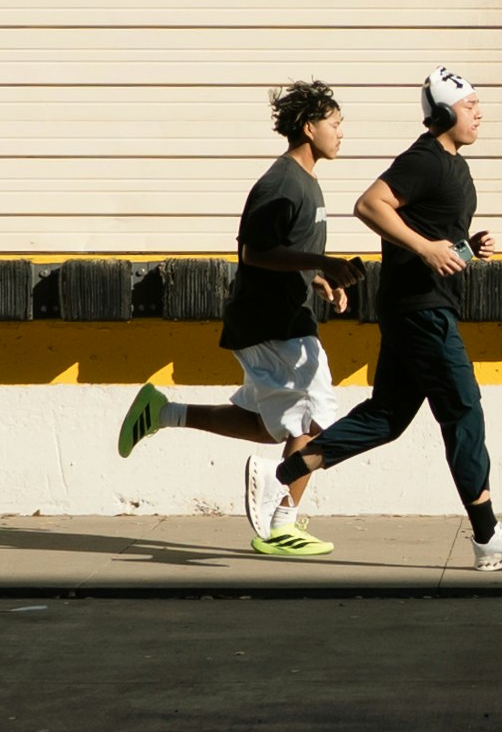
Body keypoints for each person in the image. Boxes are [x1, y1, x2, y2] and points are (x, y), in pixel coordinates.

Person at [272, 68, 502, 571]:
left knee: (387, 416)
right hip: (422, 310)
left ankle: (293, 465)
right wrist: (425, 249)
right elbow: (369, 204)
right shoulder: (425, 159)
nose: (479, 113)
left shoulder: (453, 168)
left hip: (417, 306)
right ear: (444, 113)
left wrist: (468, 247)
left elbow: (432, 236)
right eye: (470, 106)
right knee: (464, 407)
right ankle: (487, 536)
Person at [116, 81, 358, 557]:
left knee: (272, 423)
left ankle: (161, 412)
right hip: (275, 322)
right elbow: (255, 252)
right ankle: (283, 520)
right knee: (311, 418)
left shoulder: (304, 181)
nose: (341, 133)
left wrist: (317, 279)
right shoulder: (283, 182)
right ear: (309, 128)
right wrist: (326, 264)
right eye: (335, 123)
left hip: (277, 317)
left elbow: (284, 255)